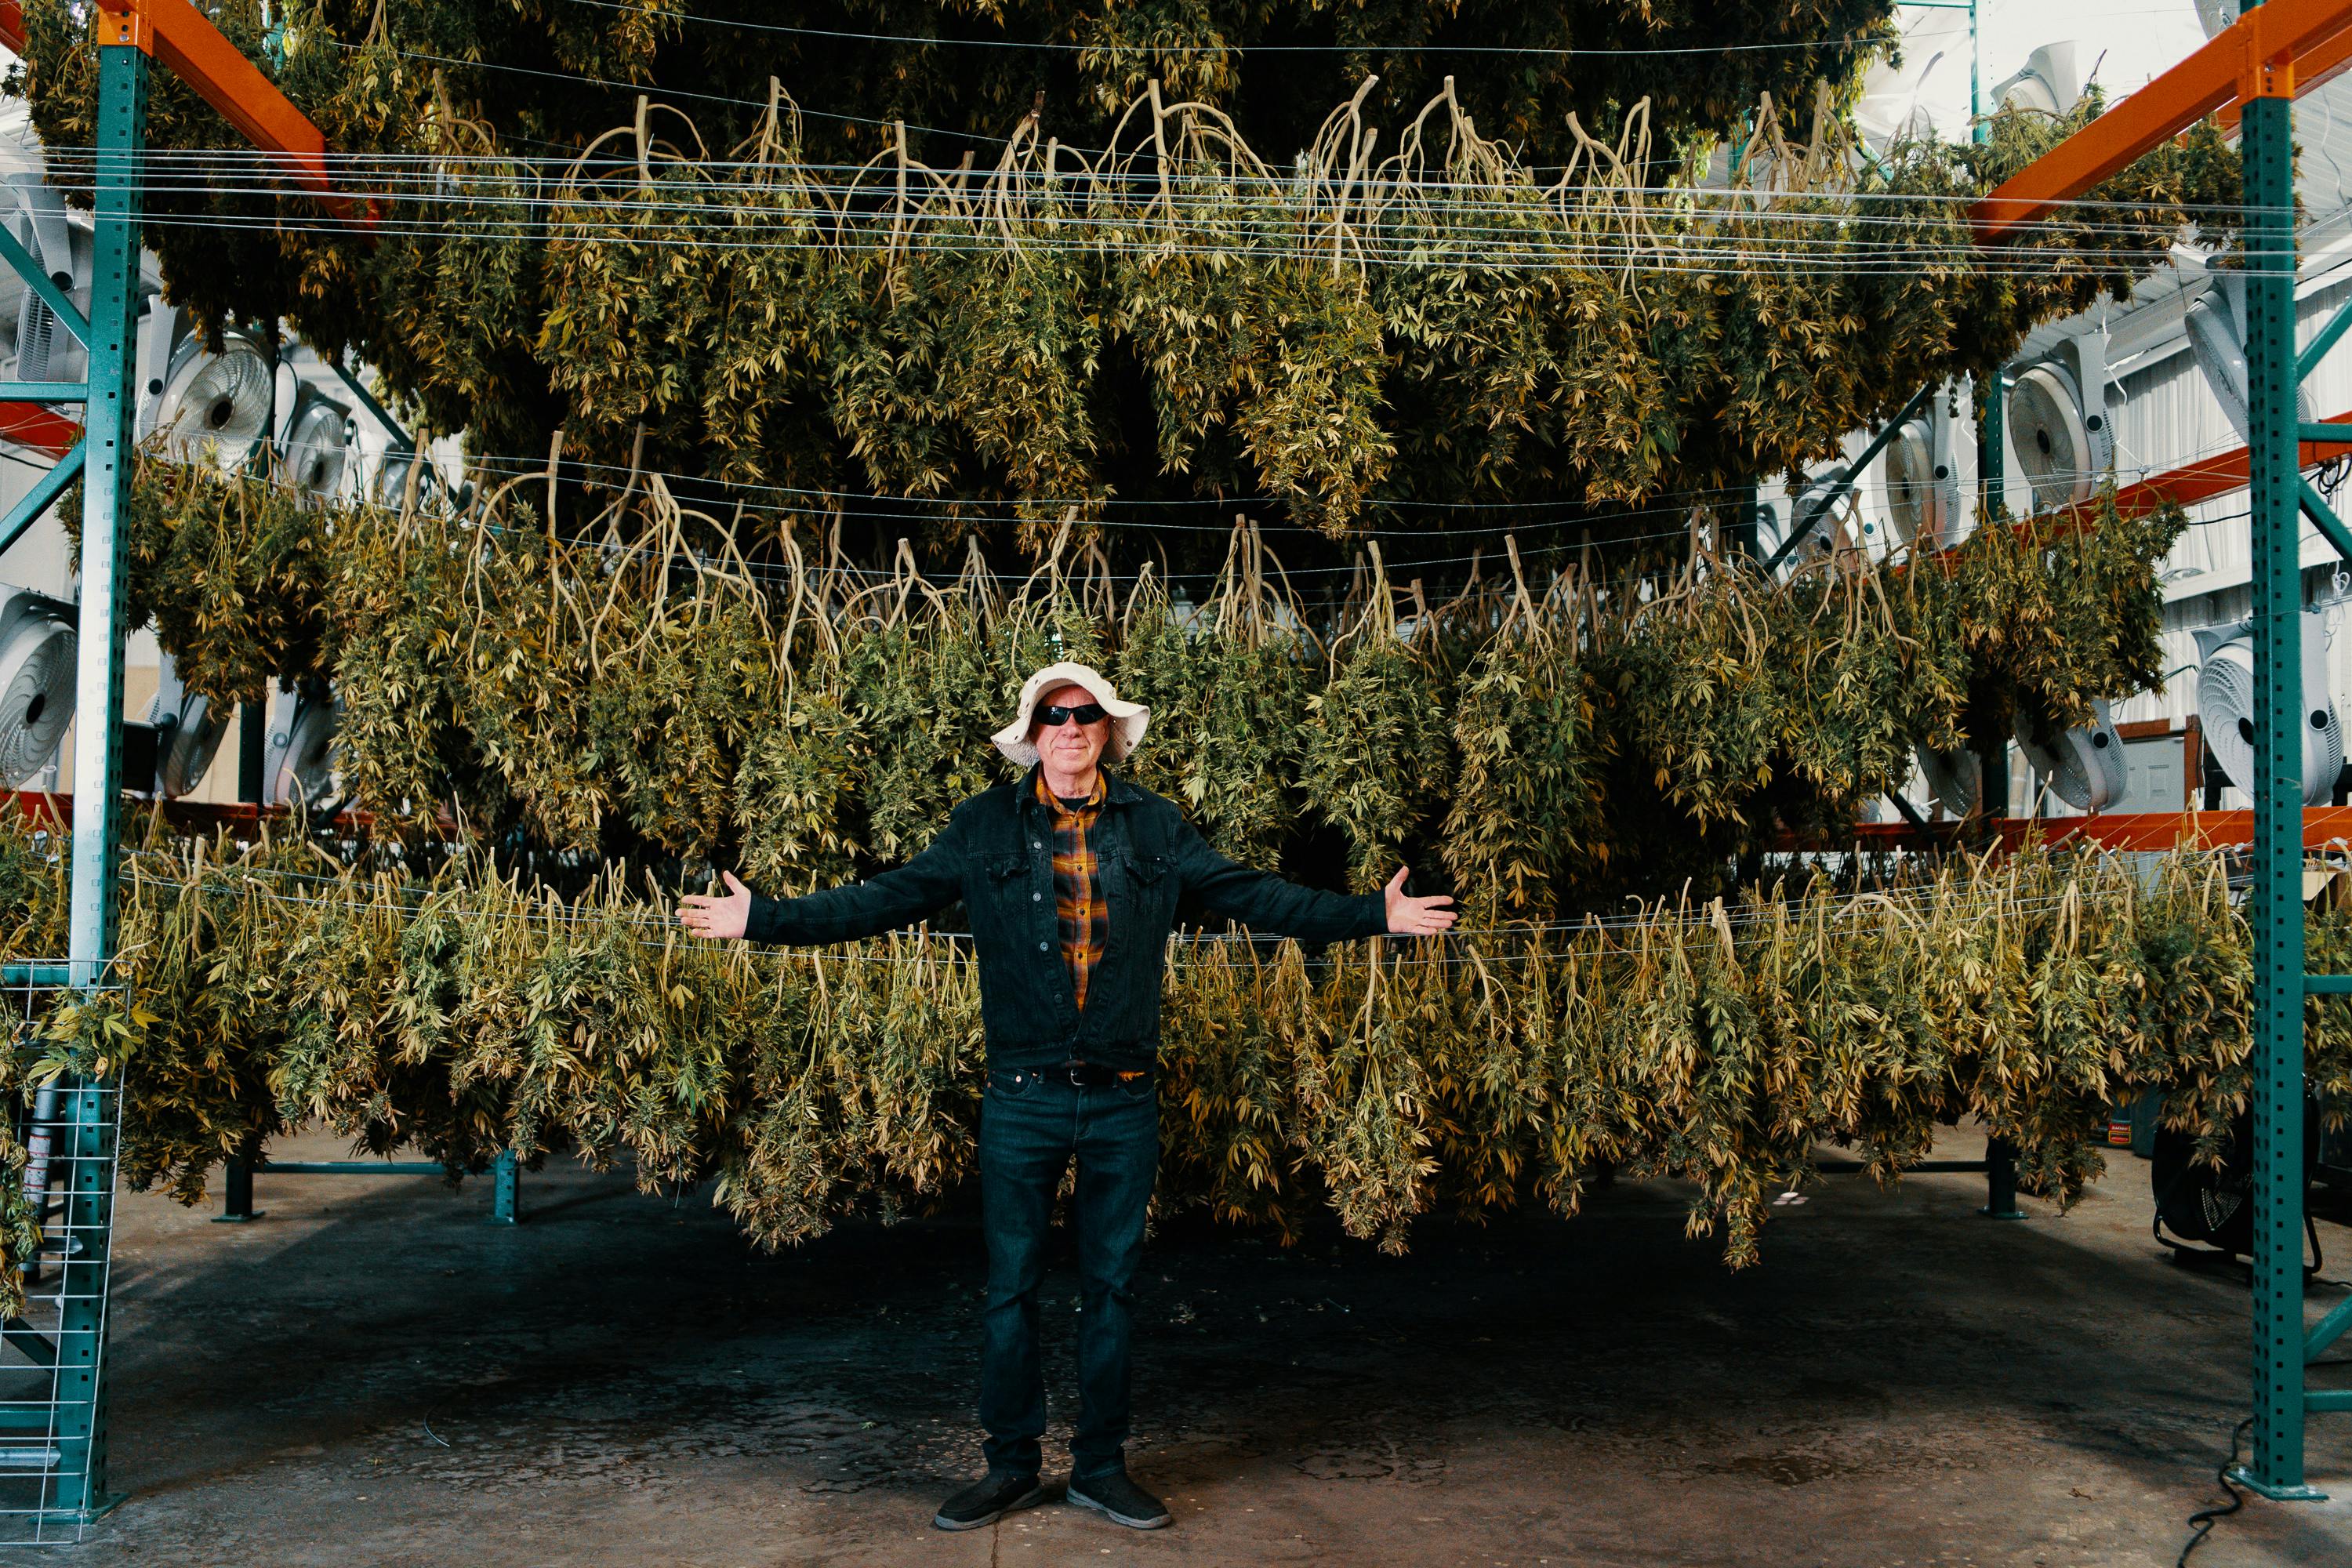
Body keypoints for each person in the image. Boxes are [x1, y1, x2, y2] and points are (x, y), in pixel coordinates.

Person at [677, 661, 1456, 1532]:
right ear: (1033, 734)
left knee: (1111, 1290)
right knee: (1010, 1289)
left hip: (1124, 1099)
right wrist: (764, 918)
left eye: (1086, 713)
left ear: (1108, 731)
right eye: (1054, 715)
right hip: (1022, 1097)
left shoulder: (1156, 825)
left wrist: (1373, 914)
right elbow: (883, 900)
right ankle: (1010, 1466)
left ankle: (1100, 1469)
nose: (1071, 727)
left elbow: (1256, 895)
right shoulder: (981, 826)